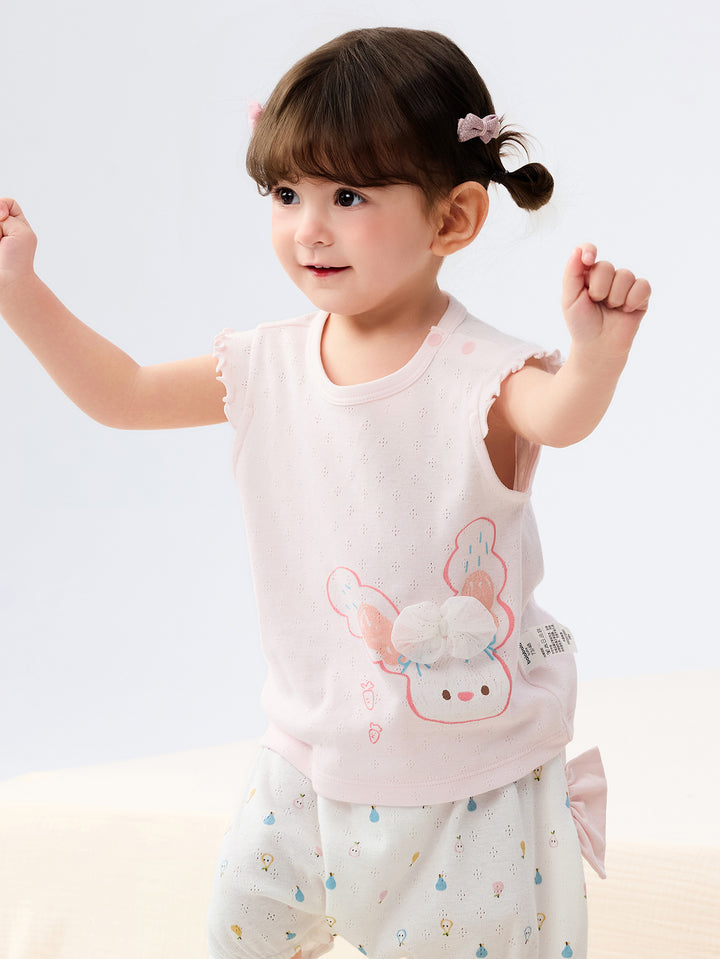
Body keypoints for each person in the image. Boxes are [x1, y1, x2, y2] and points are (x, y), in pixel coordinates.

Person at [0, 26, 650, 959]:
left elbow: (560, 414)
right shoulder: (264, 365)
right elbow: (125, 393)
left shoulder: (481, 372)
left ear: (453, 219)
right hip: (302, 764)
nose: (308, 226)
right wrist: (19, 291)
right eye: (285, 193)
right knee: (242, 931)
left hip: (463, 781)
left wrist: (596, 355)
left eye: (348, 196)